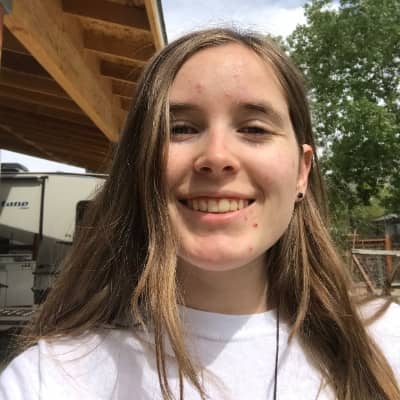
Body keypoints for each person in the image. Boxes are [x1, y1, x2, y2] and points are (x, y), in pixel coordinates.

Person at [0, 28, 399, 400]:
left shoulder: (388, 342)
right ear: (137, 167)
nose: (217, 157)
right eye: (180, 129)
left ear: (301, 171)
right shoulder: (46, 381)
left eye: (255, 129)